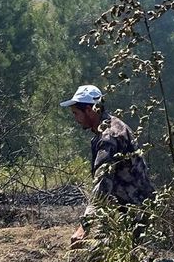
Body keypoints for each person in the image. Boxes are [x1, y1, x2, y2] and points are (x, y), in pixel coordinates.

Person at [60, 85, 154, 246]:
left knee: (127, 260)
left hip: (136, 211)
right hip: (136, 207)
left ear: (90, 110)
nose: (76, 118)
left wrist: (84, 227)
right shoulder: (113, 126)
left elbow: (103, 184)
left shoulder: (108, 137)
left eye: (76, 113)